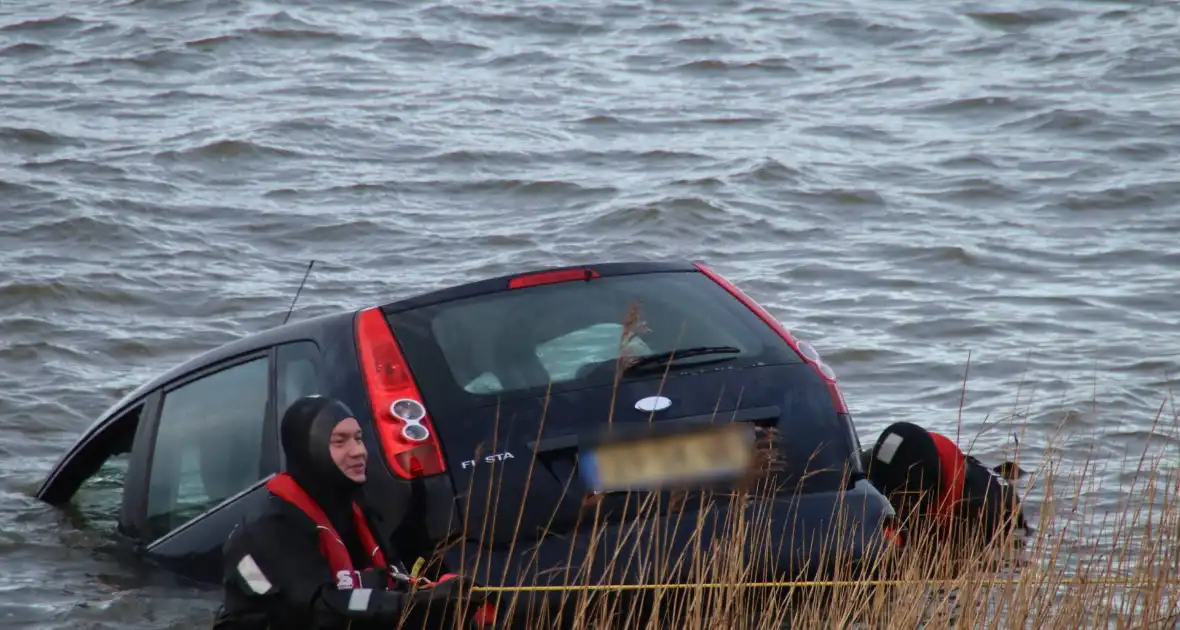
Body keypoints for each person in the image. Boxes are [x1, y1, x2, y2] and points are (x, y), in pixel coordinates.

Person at [211, 395, 488, 630]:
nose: (358, 452)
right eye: (340, 442)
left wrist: (443, 597)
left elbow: (391, 581)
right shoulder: (266, 529)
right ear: (308, 450)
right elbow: (320, 609)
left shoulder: (358, 511)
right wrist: (416, 604)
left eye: (358, 438)